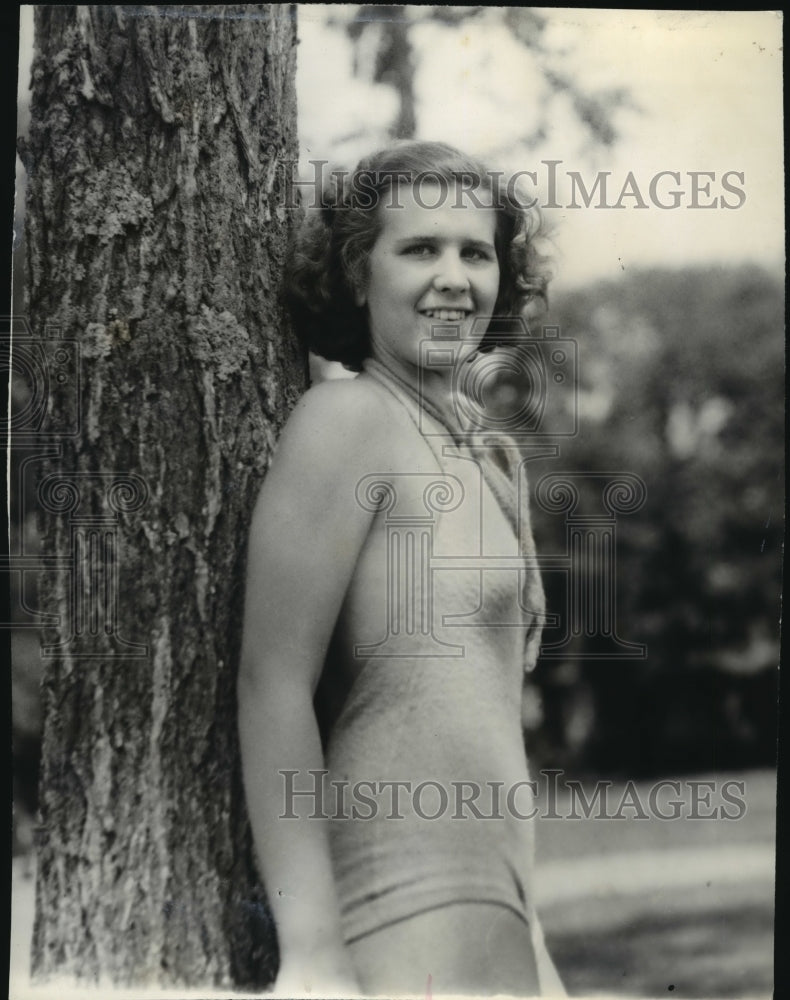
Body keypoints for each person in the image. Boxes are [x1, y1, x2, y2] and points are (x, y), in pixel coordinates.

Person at [238, 141, 564, 997]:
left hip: (502, 917)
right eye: (419, 248)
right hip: (393, 911)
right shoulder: (345, 420)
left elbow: (485, 719)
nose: (453, 276)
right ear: (357, 272)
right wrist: (311, 951)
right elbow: (272, 684)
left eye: (476, 251)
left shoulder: (490, 453)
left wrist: (536, 943)